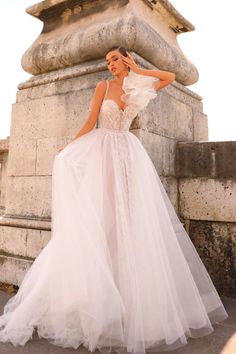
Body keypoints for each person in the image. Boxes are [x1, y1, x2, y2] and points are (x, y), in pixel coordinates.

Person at [0, 46, 228, 354]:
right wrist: (67, 149)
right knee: (102, 220)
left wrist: (139, 70)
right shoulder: (103, 86)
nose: (110, 64)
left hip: (130, 158)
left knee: (131, 221)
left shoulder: (138, 85)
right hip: (104, 155)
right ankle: (100, 295)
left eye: (115, 59)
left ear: (126, 60)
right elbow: (91, 121)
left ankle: (128, 296)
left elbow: (170, 76)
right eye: (108, 60)